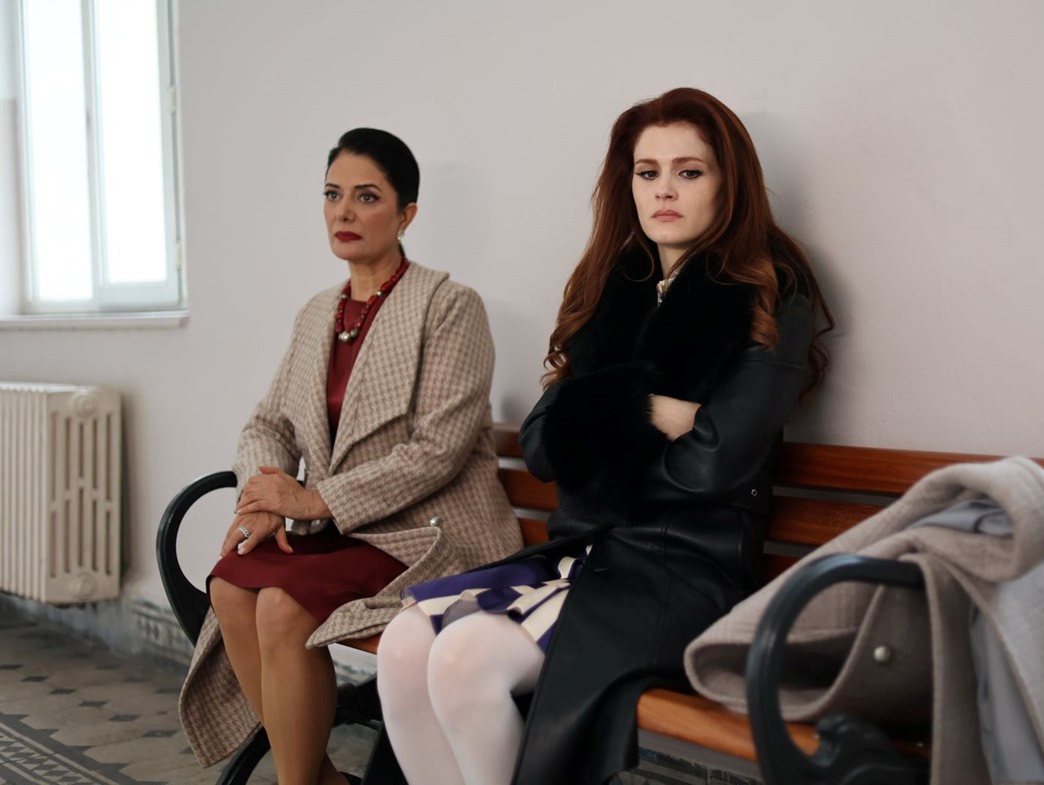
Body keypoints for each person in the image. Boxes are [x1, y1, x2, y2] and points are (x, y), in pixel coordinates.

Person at [375, 89, 833, 785]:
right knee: (405, 643)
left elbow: (712, 464)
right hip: (585, 554)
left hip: (681, 571)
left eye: (689, 171)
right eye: (648, 172)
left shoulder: (772, 292)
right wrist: (653, 410)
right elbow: (542, 445)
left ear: (728, 183)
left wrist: (600, 434)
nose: (664, 190)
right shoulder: (615, 287)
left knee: (465, 659)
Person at [176, 128, 523, 785]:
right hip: (345, 531)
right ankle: (320, 779)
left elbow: (439, 452)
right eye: (333, 194)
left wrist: (313, 500)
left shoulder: (449, 306)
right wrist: (262, 497)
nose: (344, 211)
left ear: (406, 213)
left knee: (282, 605)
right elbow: (268, 423)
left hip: (428, 534)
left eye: (367, 197)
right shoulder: (318, 312)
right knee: (230, 585)